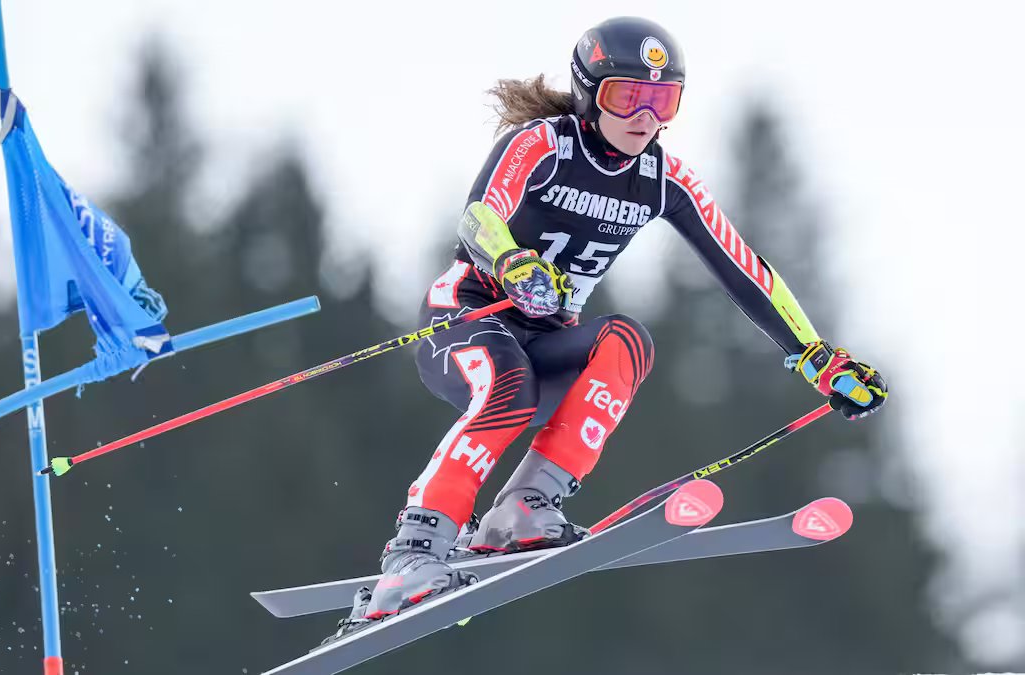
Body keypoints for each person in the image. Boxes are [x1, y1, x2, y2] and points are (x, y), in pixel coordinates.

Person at [325, 15, 888, 641]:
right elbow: (480, 217)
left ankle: (525, 507)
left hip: (548, 340)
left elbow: (744, 268)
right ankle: (415, 548)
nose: (645, 116)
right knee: (509, 387)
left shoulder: (661, 179)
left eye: (664, 100)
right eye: (628, 96)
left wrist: (814, 354)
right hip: (464, 321)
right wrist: (512, 263)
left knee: (627, 341)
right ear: (590, 92)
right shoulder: (542, 143)